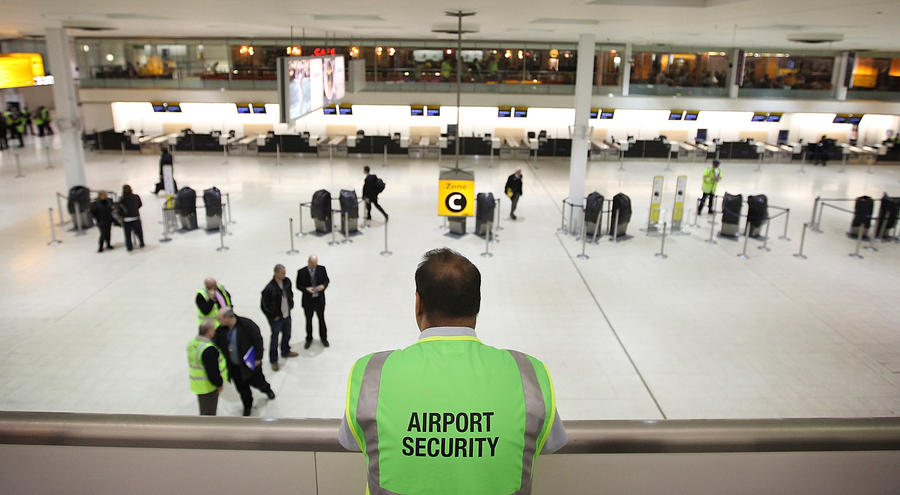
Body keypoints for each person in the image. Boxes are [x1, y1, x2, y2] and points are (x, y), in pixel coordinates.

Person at [339, 248, 567, 494]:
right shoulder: (529, 374)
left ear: (418, 303)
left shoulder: (371, 373)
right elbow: (550, 442)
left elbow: (351, 441)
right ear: (477, 304)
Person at [214, 308, 275, 416]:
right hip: (234, 367)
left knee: (259, 382)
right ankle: (247, 406)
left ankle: (267, 390)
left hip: (250, 364)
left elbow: (258, 341)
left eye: (220, 318)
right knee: (242, 389)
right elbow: (216, 343)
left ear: (229, 317)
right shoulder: (220, 330)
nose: (218, 321)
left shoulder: (247, 325)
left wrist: (258, 358)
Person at [260, 264, 298, 371]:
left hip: (287, 314)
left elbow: (290, 294)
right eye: (282, 273)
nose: (285, 275)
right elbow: (264, 306)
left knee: (287, 334)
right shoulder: (269, 289)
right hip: (276, 318)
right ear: (276, 273)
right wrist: (273, 316)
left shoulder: (287, 282)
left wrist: (291, 305)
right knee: (275, 339)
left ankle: (285, 351)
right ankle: (274, 360)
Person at [187, 319, 228, 416]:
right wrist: (219, 384)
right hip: (208, 387)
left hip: (198, 385)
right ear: (209, 331)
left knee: (204, 410)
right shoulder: (208, 349)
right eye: (213, 329)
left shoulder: (193, 343)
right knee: (208, 414)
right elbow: (212, 371)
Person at [296, 255, 329, 349]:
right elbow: (298, 285)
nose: (314, 266)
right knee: (309, 321)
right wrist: (306, 289)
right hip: (308, 301)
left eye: (315, 264)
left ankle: (324, 338)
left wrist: (323, 286)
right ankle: (309, 339)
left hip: (319, 300)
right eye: (312, 264)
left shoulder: (322, 269)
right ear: (308, 262)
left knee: (321, 320)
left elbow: (326, 280)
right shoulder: (301, 272)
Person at [119, 185, 145, 250]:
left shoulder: (122, 199)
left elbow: (119, 209)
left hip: (126, 219)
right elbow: (140, 204)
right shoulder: (136, 197)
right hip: (135, 217)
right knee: (139, 232)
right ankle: (141, 243)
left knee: (128, 234)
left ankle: (129, 247)